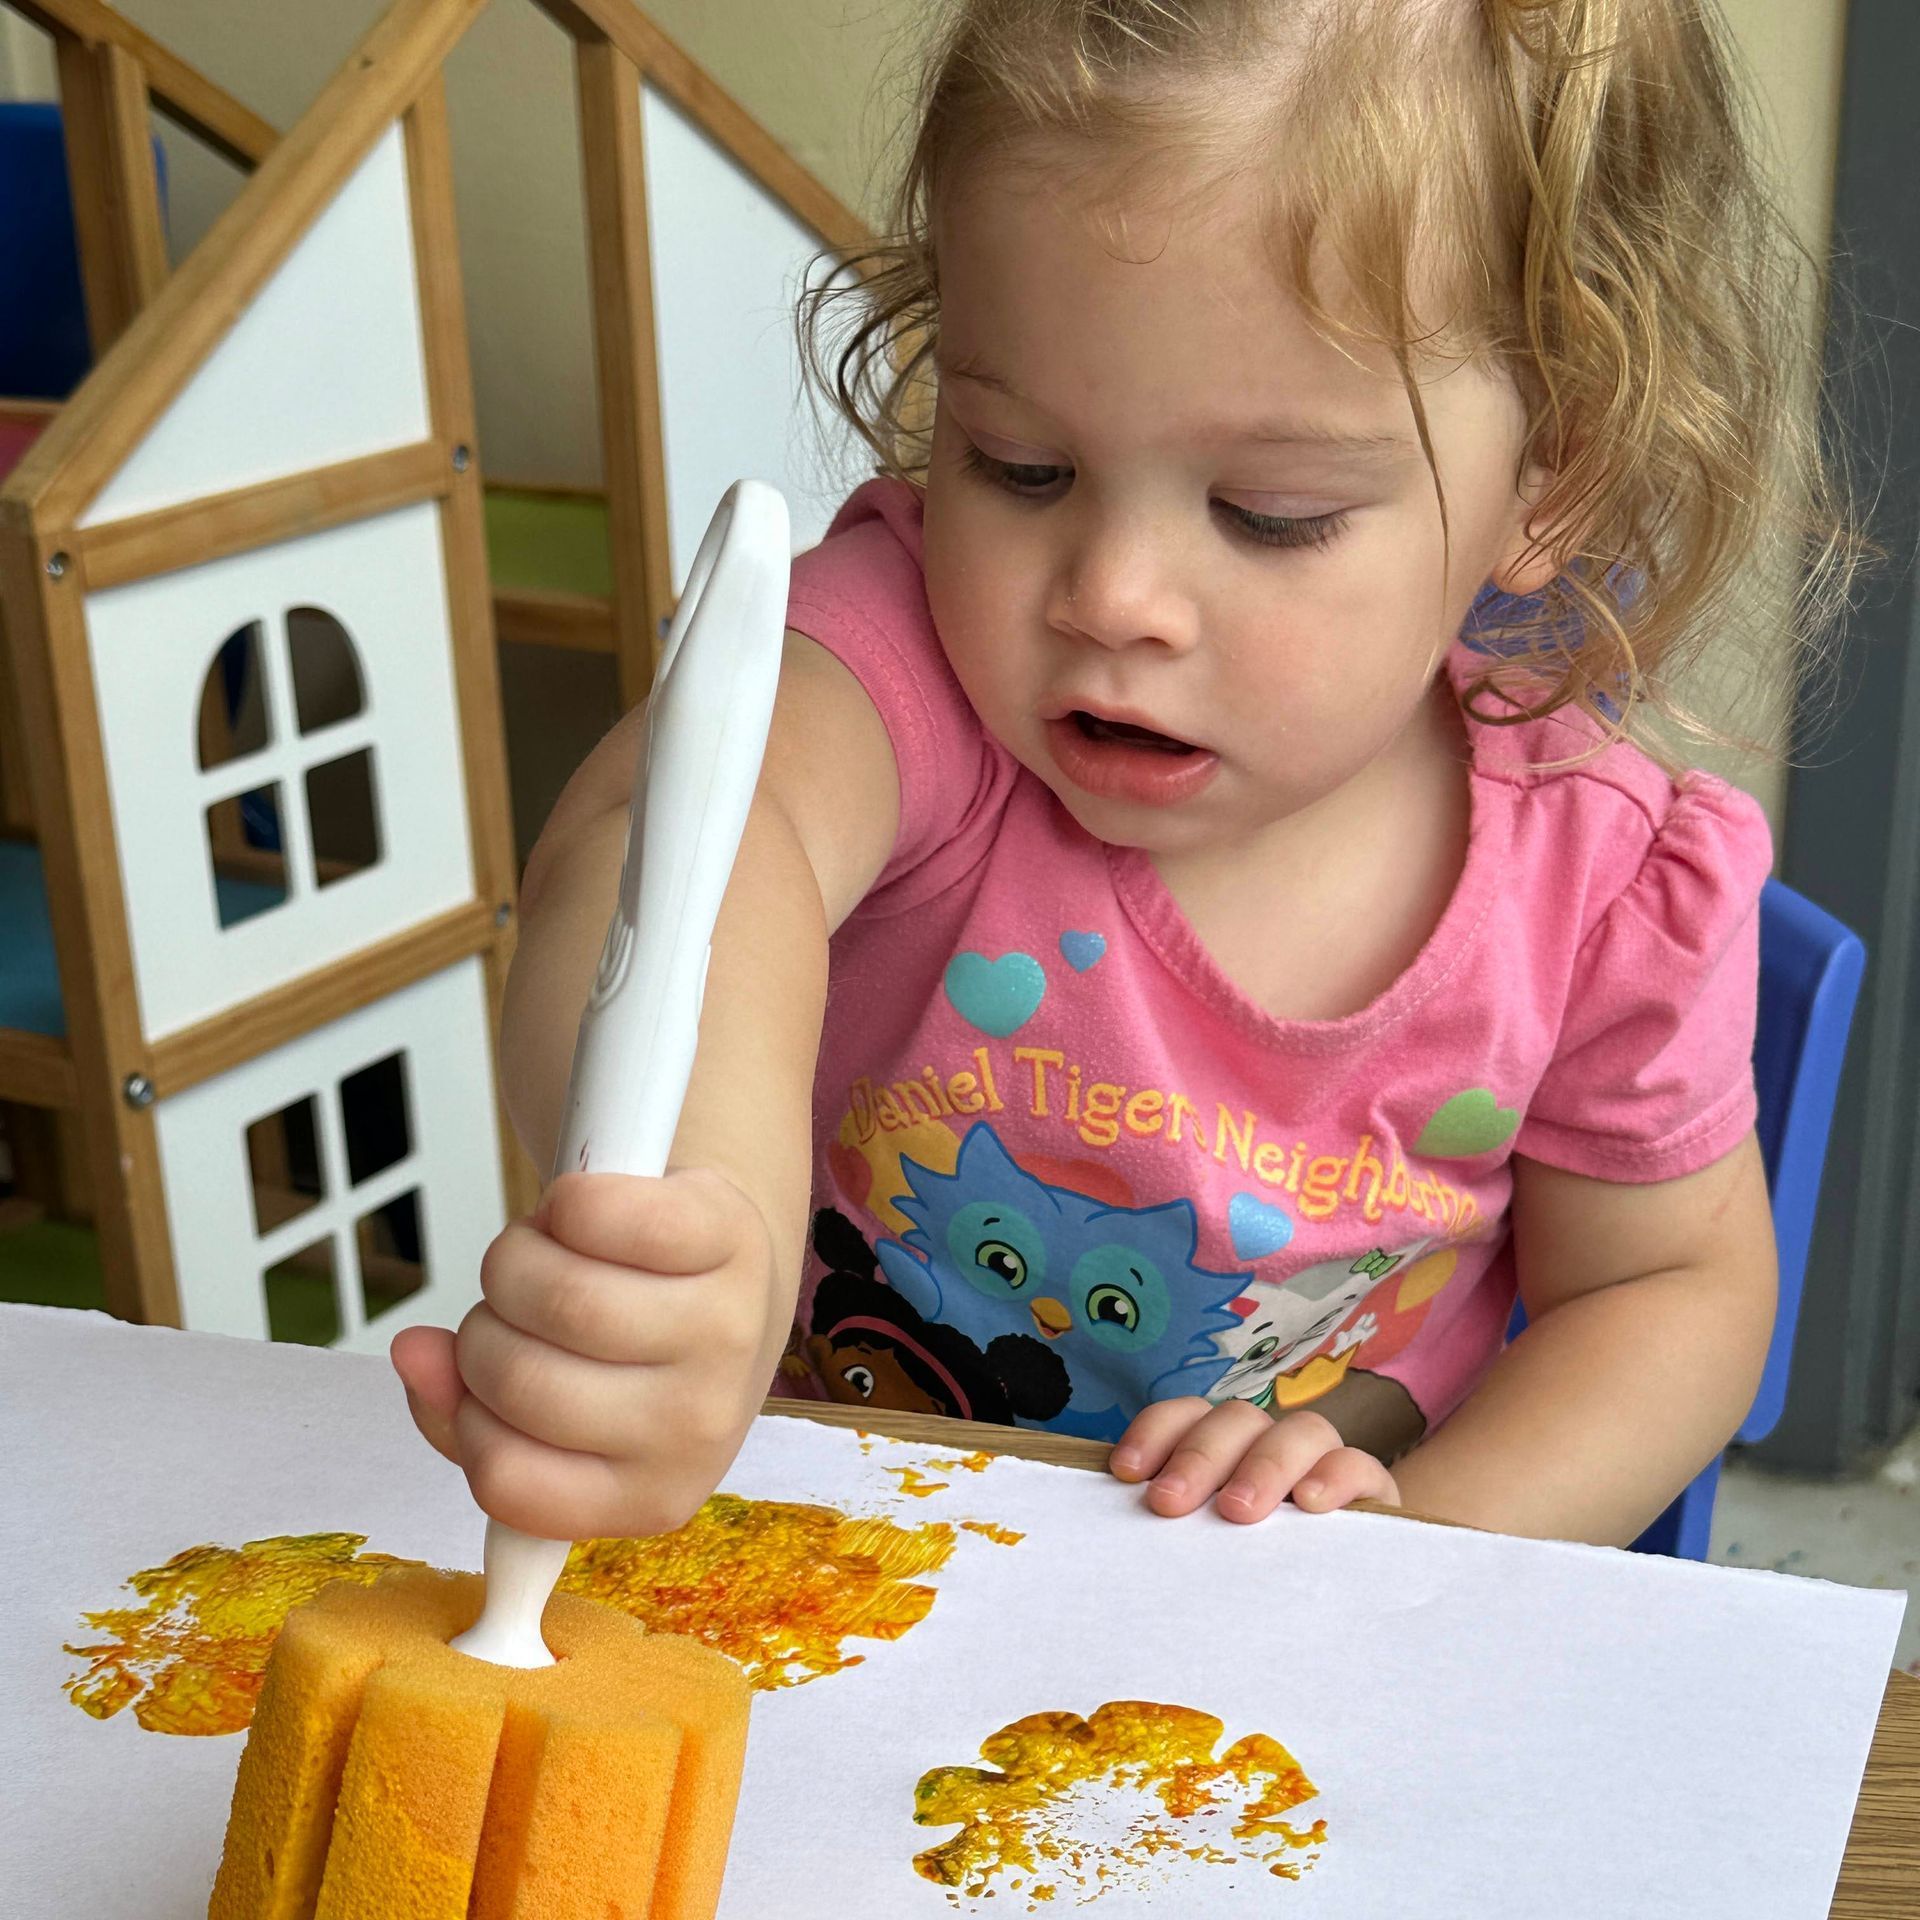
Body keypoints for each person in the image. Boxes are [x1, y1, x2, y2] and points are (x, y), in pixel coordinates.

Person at [393, 0, 1857, 1548]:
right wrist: (705, 1228)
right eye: (1020, 467)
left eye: (1270, 512)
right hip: (818, 1573)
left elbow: (1666, 1292)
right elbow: (677, 843)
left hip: (1268, 1652)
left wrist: (1418, 1546)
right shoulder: (912, 672)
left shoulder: (1602, 884)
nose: (1112, 593)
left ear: (1548, 474)